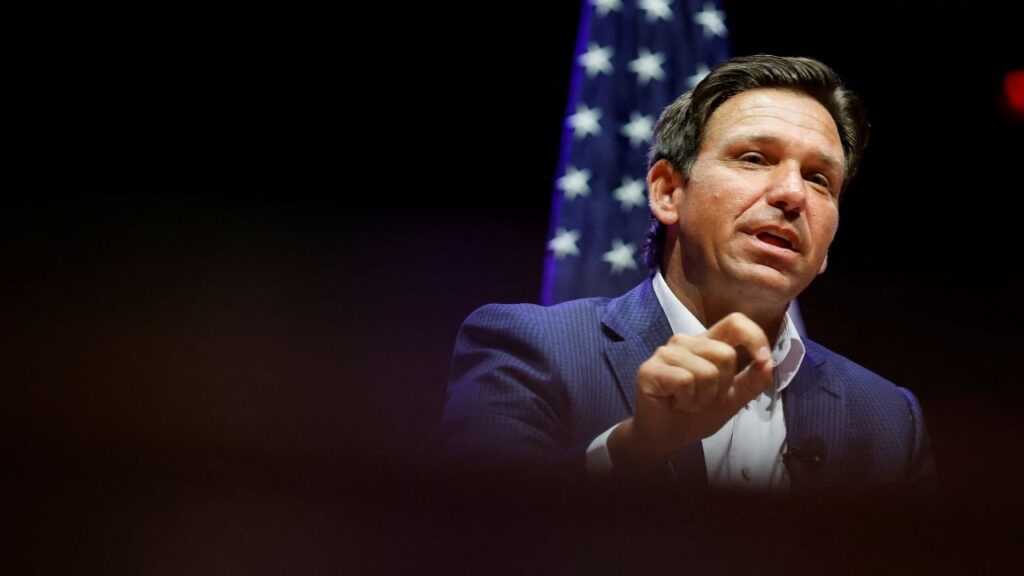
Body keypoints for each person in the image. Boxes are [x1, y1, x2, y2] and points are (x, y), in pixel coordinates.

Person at [441, 54, 935, 496]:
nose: (792, 193)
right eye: (754, 158)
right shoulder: (530, 350)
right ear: (667, 192)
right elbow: (474, 538)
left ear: (827, 244)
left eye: (818, 179)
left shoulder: (889, 419)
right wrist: (636, 448)